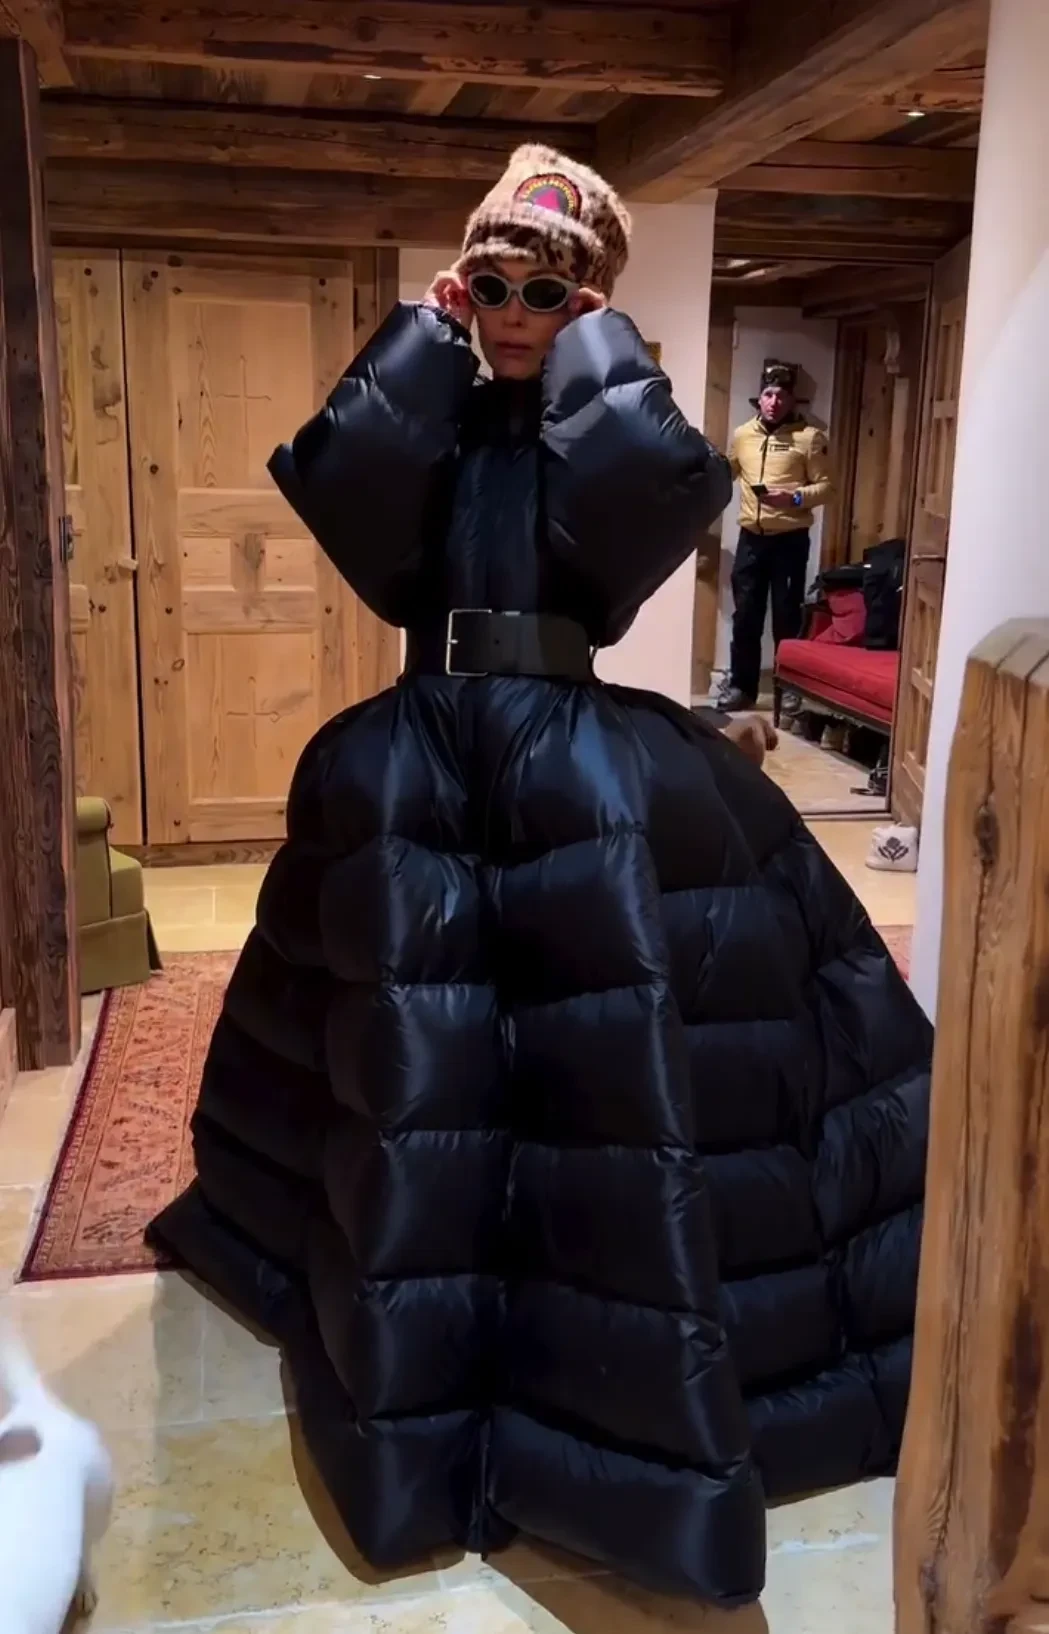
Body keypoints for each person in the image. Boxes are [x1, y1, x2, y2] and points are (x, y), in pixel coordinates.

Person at [148, 146, 930, 1608]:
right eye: (494, 286)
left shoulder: (599, 423)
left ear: (591, 305)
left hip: (571, 755)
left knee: (598, 1071)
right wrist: (422, 342)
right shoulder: (438, 419)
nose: (515, 313)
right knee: (414, 1065)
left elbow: (651, 517)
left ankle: (585, 1392)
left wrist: (597, 352)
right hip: (420, 755)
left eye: (547, 293)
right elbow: (345, 500)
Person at [716, 362, 833, 712]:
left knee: (787, 616)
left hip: (789, 541)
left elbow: (828, 487)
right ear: (760, 398)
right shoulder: (743, 435)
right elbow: (727, 473)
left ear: (792, 399)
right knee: (745, 616)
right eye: (768, 395)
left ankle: (789, 689)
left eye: (781, 396)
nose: (773, 402)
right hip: (751, 539)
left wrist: (794, 498)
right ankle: (742, 688)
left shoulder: (810, 438)